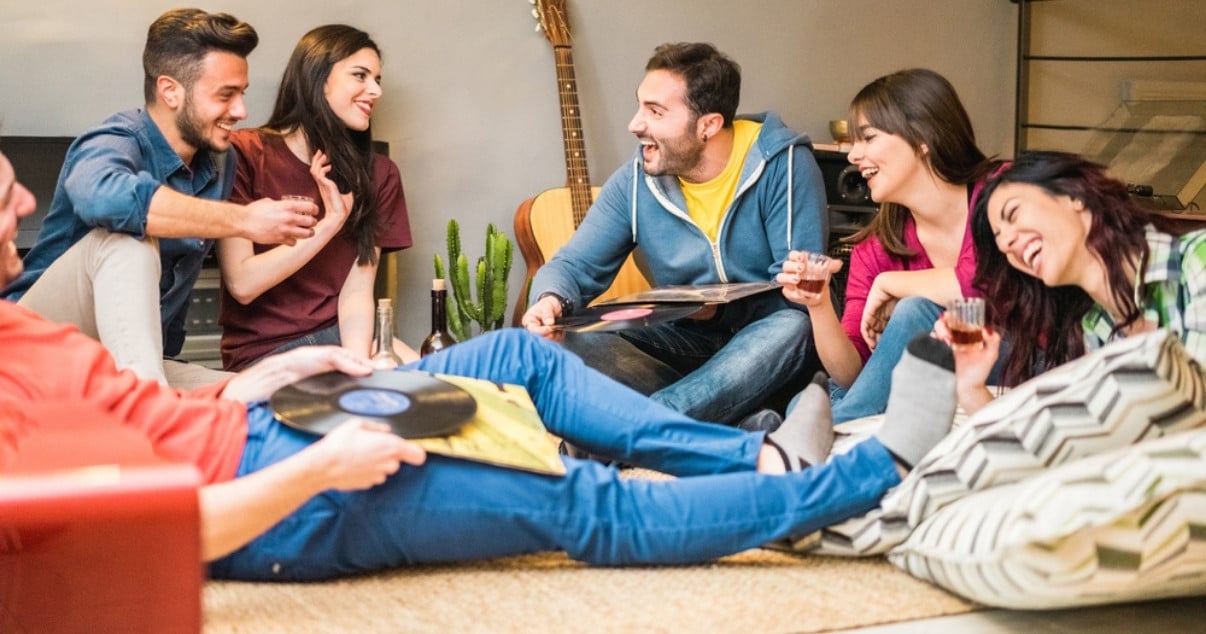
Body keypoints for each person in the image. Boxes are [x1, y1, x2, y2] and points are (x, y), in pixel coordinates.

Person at [0, 147, 962, 581]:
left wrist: (250, 384)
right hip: (278, 494)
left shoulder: (16, 328)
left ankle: (753, 465)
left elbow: (132, 415)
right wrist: (321, 468)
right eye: (5, 199)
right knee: (574, 497)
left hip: (265, 424)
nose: (26, 208)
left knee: (511, 352)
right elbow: (139, 539)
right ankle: (864, 477)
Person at [0, 8, 317, 386]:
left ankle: (150, 401)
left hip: (129, 364)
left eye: (242, 94)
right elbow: (103, 198)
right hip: (31, 348)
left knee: (261, 393)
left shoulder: (221, 159)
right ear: (170, 90)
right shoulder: (114, 139)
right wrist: (245, 219)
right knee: (127, 239)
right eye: (225, 96)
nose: (241, 111)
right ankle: (150, 419)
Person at [521, 42, 828, 426]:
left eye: (655, 111)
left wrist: (727, 307)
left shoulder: (782, 165)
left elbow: (799, 299)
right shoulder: (635, 181)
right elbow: (574, 263)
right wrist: (549, 300)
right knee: (565, 341)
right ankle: (726, 423)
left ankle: (641, 426)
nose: (635, 124)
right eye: (640, 106)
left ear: (708, 125)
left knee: (795, 327)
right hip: (684, 345)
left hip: (762, 348)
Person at [778, 68, 999, 423]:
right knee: (808, 400)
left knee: (914, 310)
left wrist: (892, 284)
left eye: (868, 138)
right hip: (928, 377)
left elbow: (988, 286)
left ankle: (823, 432)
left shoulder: (999, 194)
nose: (853, 154)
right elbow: (857, 374)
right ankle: (818, 428)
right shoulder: (876, 248)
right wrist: (818, 304)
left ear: (923, 136)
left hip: (1010, 355)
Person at [218, 25, 416, 372]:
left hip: (343, 339)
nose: (375, 90)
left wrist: (356, 367)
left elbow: (357, 293)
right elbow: (243, 284)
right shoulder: (242, 154)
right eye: (360, 75)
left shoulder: (380, 174)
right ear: (317, 77)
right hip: (266, 354)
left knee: (438, 384)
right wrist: (328, 225)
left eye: (377, 79)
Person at [947, 150, 1206, 413]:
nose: (1006, 243)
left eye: (1013, 213)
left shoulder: (1198, 260)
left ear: (1075, 196)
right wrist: (970, 388)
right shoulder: (1095, 330)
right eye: (999, 240)